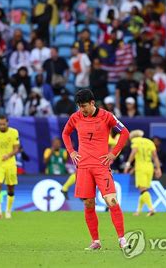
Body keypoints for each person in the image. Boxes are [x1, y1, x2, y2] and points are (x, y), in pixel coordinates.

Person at [62, 89, 130, 250]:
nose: (81, 109)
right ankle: (96, 241)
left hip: (101, 166)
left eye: (84, 106)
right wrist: (72, 151)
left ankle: (122, 239)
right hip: (83, 167)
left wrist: (113, 154)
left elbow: (125, 133)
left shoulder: (106, 116)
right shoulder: (75, 117)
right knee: (88, 204)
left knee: (112, 201)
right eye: (79, 106)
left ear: (92, 103)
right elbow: (65, 134)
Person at [123, 130, 161, 216]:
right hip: (149, 166)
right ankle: (138, 211)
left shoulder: (135, 141)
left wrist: (128, 164)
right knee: (143, 190)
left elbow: (134, 151)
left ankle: (151, 208)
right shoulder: (149, 142)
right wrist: (158, 168)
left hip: (141, 167)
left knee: (143, 189)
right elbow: (155, 156)